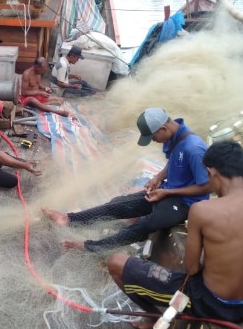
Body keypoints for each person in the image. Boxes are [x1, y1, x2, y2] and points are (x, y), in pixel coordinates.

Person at [107, 141, 243, 329]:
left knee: (116, 263)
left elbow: (191, 268)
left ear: (211, 172)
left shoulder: (203, 210)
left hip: (209, 303)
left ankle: (153, 318)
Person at [43, 107, 210, 251]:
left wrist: (167, 192)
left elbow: (207, 186)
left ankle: (91, 247)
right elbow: (175, 161)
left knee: (145, 225)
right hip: (167, 191)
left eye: (153, 137)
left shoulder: (194, 148)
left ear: (163, 129)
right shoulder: (176, 138)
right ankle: (69, 218)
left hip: (185, 203)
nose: (153, 140)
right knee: (118, 204)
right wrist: (158, 178)